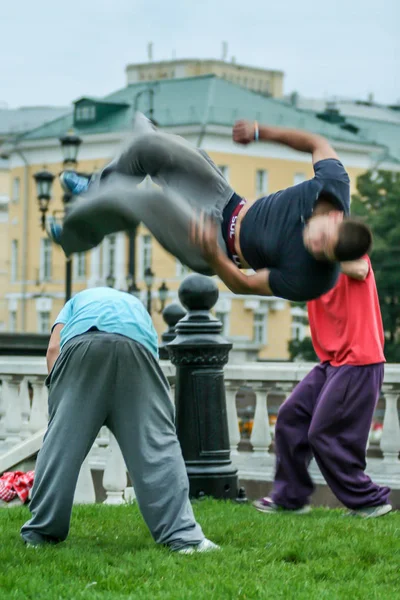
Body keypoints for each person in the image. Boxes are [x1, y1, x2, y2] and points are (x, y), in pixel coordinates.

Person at [51, 113, 372, 303]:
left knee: (148, 200)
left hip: (214, 244)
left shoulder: (314, 280)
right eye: (322, 238)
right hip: (227, 201)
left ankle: (72, 234)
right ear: (335, 216)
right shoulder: (332, 182)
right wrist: (261, 132)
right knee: (150, 147)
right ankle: (97, 186)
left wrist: (214, 256)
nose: (314, 246)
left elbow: (243, 285)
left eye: (323, 254)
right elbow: (316, 143)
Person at [21, 287, 218, 553]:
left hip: (83, 345)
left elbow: (54, 348)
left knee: (60, 447)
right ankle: (184, 537)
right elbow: (149, 351)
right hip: (136, 348)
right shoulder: (135, 306)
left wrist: (61, 398)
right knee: (158, 447)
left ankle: (41, 533)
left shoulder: (73, 304)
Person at [253, 256, 392, 518]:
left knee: (324, 433)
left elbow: (360, 268)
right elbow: (269, 281)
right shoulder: (307, 267)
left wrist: (311, 257)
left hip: (359, 360)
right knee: (291, 417)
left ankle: (369, 500)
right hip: (332, 362)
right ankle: (290, 498)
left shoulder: (345, 248)